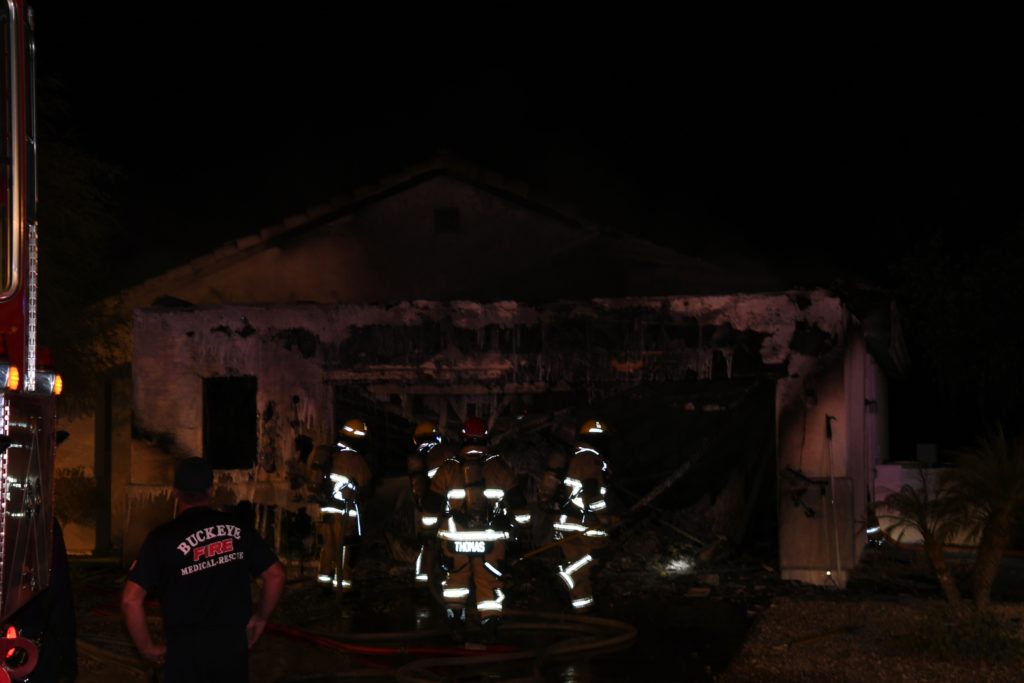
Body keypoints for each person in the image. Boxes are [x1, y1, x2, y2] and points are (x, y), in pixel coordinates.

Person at [121, 457, 285, 682]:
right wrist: (261, 618)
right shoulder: (238, 528)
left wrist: (146, 648)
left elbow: (130, 600)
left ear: (175, 492)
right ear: (211, 490)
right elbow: (276, 575)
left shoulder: (162, 538)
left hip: (185, 651)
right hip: (231, 647)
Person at [428, 416, 529, 643]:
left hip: (455, 539)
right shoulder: (499, 468)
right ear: (486, 439)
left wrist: (426, 532)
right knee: (489, 582)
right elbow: (519, 504)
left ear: (463, 438)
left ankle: (456, 625)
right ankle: (490, 628)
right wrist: (523, 528)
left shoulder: (448, 468)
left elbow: (431, 507)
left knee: (455, 583)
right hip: (490, 540)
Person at [546, 418, 612, 613]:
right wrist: (604, 517)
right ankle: (566, 576)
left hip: (566, 521)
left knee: (579, 564)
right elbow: (592, 491)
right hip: (583, 522)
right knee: (597, 555)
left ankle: (583, 609)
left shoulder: (575, 457)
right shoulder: (590, 459)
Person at [310, 418, 373, 592]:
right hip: (345, 513)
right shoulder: (356, 460)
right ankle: (343, 586)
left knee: (327, 547)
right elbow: (367, 487)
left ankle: (324, 582)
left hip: (326, 510)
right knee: (344, 548)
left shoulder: (329, 455)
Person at [407, 420, 455, 588]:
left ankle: (424, 581)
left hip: (430, 507)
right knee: (450, 541)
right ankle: (450, 576)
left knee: (427, 542)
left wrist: (421, 505)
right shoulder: (447, 451)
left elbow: (418, 486)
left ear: (416, 438)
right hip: (454, 505)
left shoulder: (416, 456)